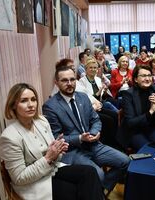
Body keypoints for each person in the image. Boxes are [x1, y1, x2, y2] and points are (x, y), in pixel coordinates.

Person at [0, 83, 104, 200]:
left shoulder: (41, 121)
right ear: (13, 105)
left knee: (89, 172)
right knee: (75, 190)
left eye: (33, 100)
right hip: (33, 184)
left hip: (51, 171)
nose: (30, 105)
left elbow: (54, 156)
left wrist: (58, 151)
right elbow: (19, 178)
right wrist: (48, 158)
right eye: (24, 101)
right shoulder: (9, 137)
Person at [42, 66, 130, 194]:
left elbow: (95, 120)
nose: (69, 83)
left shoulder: (82, 97)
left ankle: (101, 191)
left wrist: (94, 133)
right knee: (98, 174)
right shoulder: (50, 106)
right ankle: (97, 191)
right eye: (64, 80)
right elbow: (56, 138)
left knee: (125, 161)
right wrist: (79, 138)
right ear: (56, 83)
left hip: (93, 144)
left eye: (72, 79)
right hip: (73, 151)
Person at [118, 65, 155, 151]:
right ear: (135, 79)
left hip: (153, 127)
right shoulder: (128, 94)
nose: (147, 78)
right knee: (149, 151)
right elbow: (131, 123)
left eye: (149, 75)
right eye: (143, 76)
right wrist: (151, 112)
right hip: (135, 131)